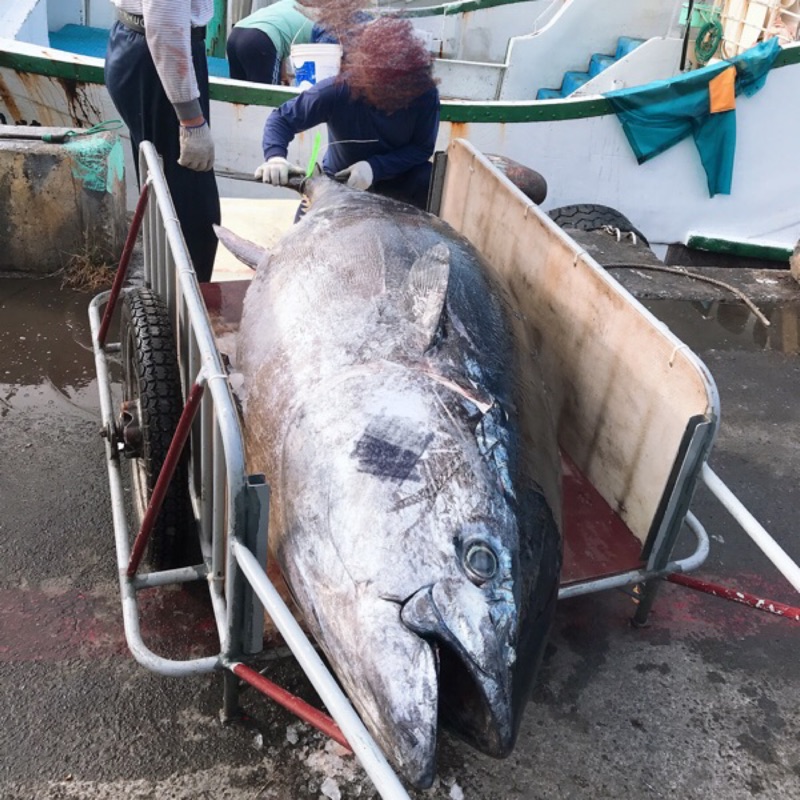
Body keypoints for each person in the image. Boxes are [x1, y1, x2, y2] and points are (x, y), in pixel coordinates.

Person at [255, 17, 439, 211]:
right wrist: (275, 157)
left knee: (426, 178)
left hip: (399, 178)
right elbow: (282, 119)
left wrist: (375, 168)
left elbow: (422, 147)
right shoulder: (338, 90)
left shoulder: (425, 93)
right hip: (341, 180)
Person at [105, 0, 220, 283]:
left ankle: (161, 293)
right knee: (193, 216)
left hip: (141, 45)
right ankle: (181, 316)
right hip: (159, 56)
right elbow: (166, 20)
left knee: (163, 194)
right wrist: (191, 119)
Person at [227, 0, 316, 85]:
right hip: (261, 39)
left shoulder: (288, 4)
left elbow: (282, 35)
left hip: (236, 34)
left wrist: (283, 74)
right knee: (268, 96)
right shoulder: (319, 23)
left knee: (239, 93)